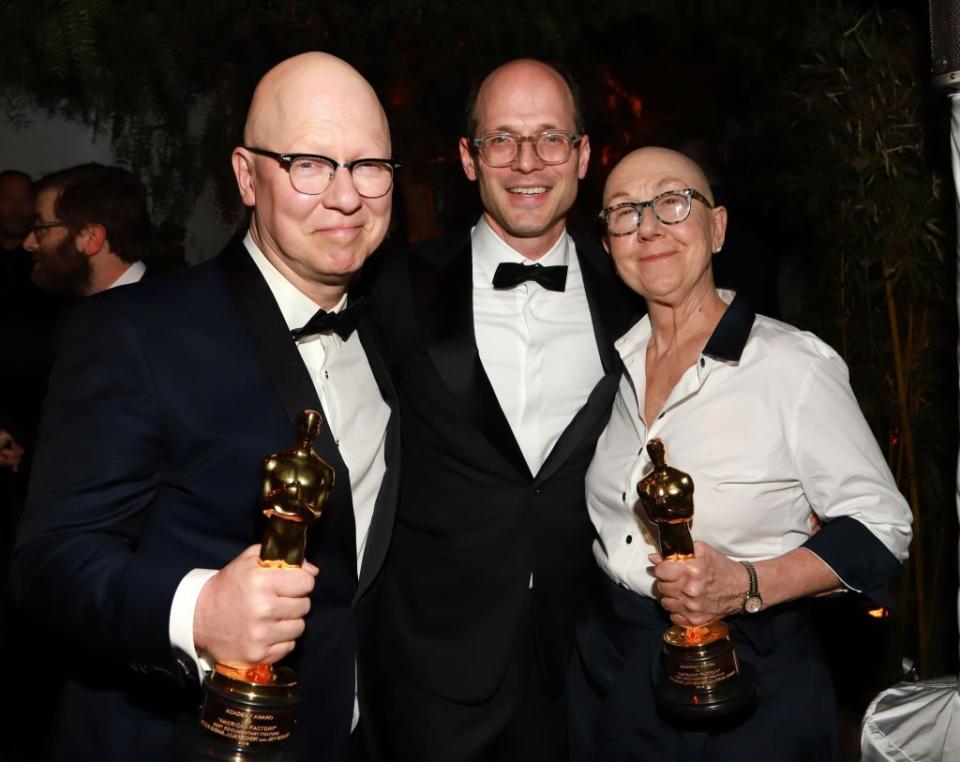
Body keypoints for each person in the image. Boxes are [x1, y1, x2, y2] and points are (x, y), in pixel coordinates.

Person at [12, 52, 400, 762]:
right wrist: (197, 611)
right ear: (248, 176)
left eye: (369, 165)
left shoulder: (389, 331)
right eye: (310, 163)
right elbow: (48, 562)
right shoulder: (133, 331)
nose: (347, 196)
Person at [568, 146, 913, 761]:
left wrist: (747, 583)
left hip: (751, 682)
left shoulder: (791, 364)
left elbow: (883, 530)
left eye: (673, 202)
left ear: (717, 226)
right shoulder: (611, 362)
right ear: (609, 242)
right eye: (624, 212)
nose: (648, 227)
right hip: (613, 667)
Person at [372, 59, 638, 761]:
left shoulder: (638, 292)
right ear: (468, 157)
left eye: (551, 137)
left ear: (582, 155)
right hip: (432, 661)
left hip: (592, 655)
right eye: (502, 140)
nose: (527, 162)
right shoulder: (395, 288)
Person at [23, 163, 153, 296]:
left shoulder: (158, 310)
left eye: (41, 228)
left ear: (92, 238)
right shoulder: (89, 309)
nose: (27, 243)